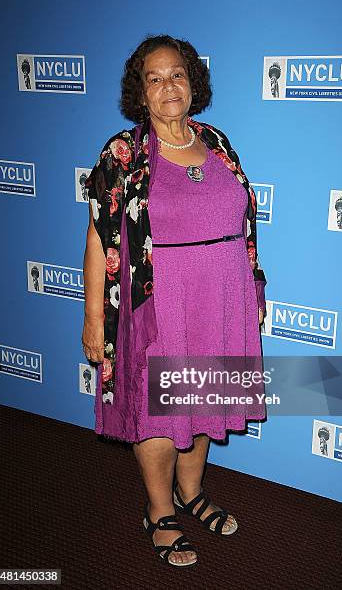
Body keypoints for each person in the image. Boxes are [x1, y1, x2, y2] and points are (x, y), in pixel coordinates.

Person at [82, 34, 268, 568]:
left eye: (178, 74)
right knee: (160, 411)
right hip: (158, 305)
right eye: (155, 77)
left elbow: (243, 224)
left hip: (221, 299)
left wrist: (252, 283)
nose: (169, 86)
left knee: (202, 401)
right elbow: (99, 236)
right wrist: (94, 315)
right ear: (140, 93)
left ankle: (192, 494)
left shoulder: (218, 143)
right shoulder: (123, 154)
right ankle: (160, 509)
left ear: (194, 82)